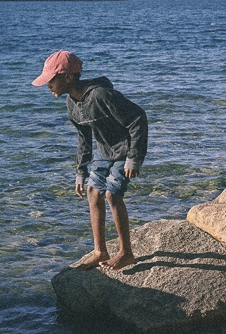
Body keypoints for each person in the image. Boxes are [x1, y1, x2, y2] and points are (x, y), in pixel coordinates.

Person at [32, 50, 148, 270]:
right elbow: (83, 138)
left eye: (51, 80)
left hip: (124, 150)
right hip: (104, 152)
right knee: (93, 191)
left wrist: (134, 158)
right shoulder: (71, 104)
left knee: (112, 193)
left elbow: (138, 118)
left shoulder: (101, 95)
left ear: (68, 77)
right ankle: (100, 251)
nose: (48, 86)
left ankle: (126, 253)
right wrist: (80, 172)